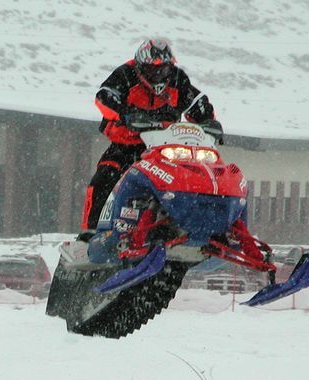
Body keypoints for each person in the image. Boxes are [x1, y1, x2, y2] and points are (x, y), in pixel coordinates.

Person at [80, 38, 217, 236]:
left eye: (164, 69)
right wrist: (124, 113)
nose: (159, 75)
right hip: (127, 144)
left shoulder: (178, 79)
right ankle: (89, 232)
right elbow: (104, 97)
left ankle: (195, 224)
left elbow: (197, 101)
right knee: (103, 177)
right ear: (141, 67)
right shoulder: (125, 75)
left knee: (192, 176)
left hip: (163, 146)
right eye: (153, 70)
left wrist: (207, 120)